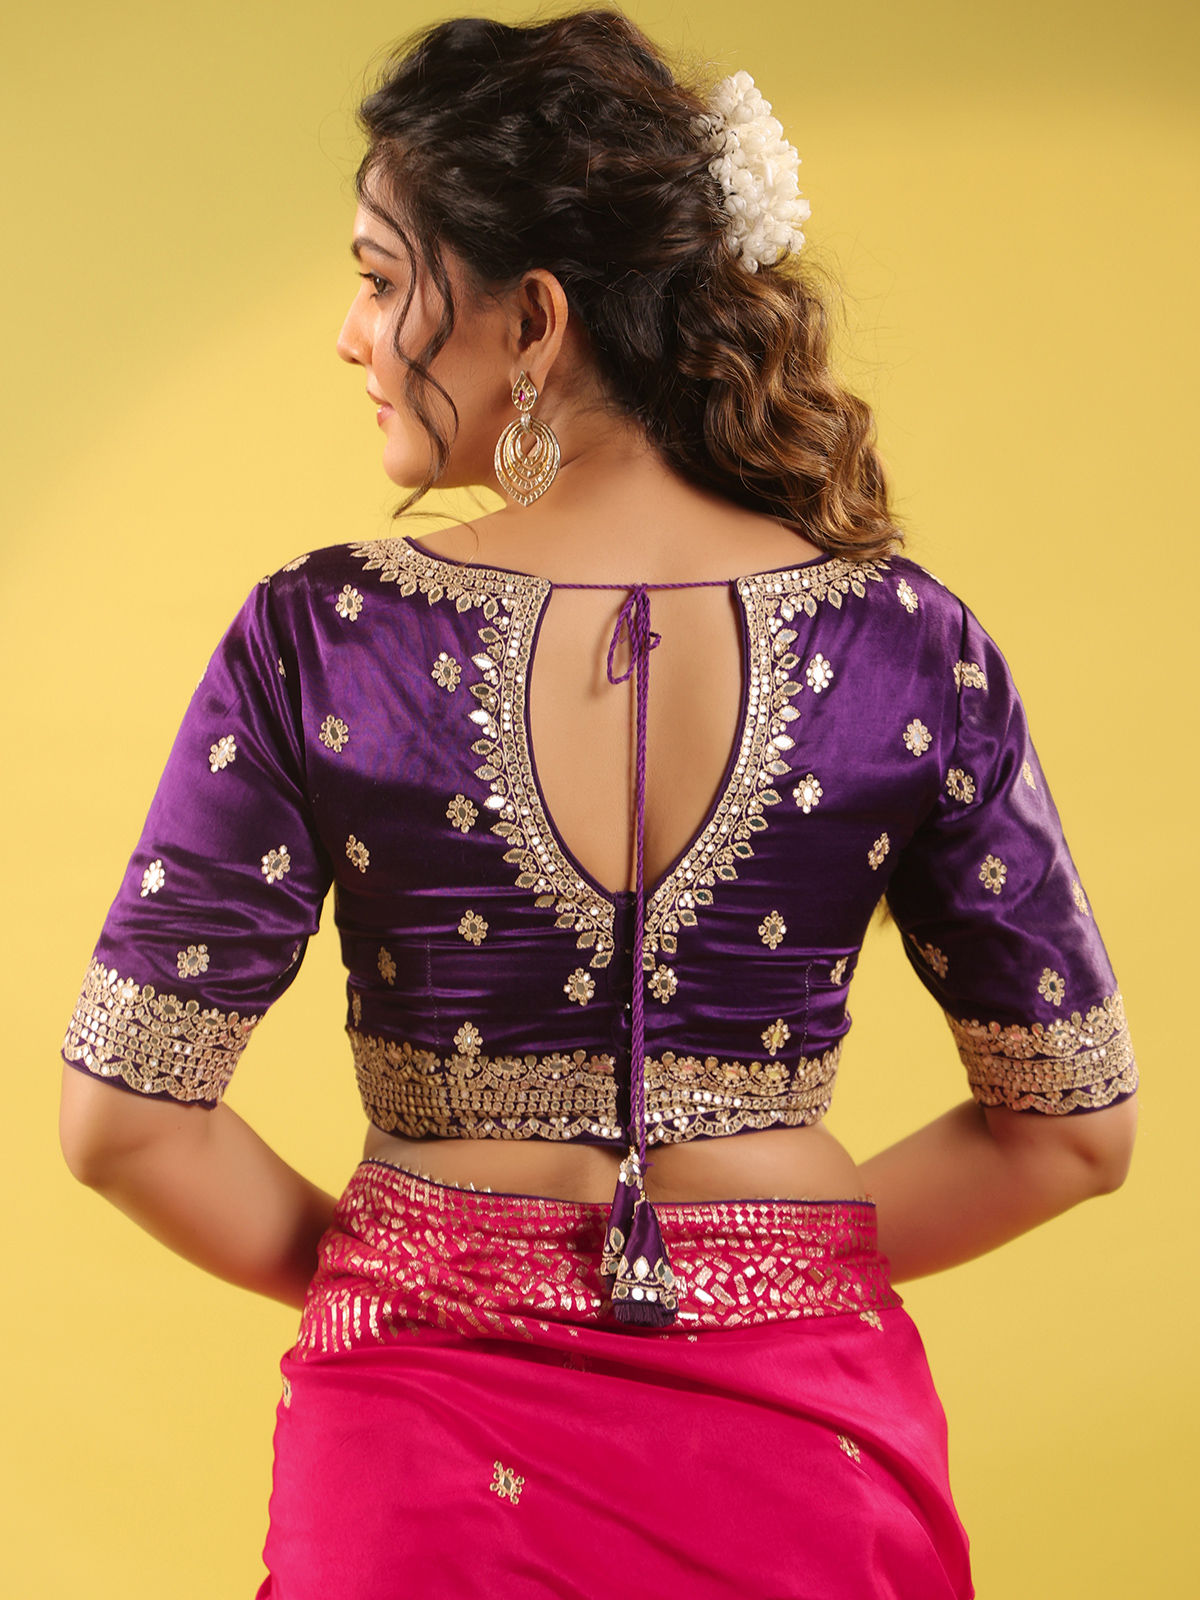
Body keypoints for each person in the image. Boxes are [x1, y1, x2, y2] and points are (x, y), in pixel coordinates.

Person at [58, 11, 1137, 1597]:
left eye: (381, 279)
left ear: (535, 320)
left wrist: (421, 1269)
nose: (353, 335)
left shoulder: (323, 635)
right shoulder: (912, 644)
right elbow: (1074, 1131)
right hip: (803, 1461)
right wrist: (769, 1264)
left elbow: (126, 1123)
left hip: (418, 1464)